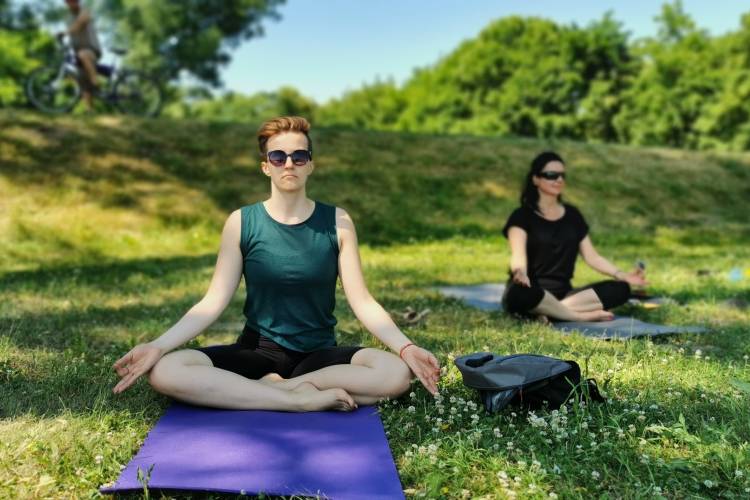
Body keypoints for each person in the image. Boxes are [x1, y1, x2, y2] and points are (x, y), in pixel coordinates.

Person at [112, 116, 441, 412]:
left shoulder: (338, 221)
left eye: (299, 156)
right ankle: (293, 398)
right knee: (167, 371)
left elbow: (362, 301)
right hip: (257, 352)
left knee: (396, 374)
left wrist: (406, 347)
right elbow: (212, 302)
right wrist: (158, 346)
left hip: (319, 357)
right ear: (265, 166)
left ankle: (271, 390)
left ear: (310, 165)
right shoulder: (241, 222)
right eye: (278, 156)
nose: (289, 164)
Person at [502, 151, 648, 322]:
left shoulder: (573, 215)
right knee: (522, 293)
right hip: (531, 289)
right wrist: (520, 273)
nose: (559, 180)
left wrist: (622, 274)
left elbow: (592, 257)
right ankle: (576, 316)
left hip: (565, 294)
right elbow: (518, 255)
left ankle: (550, 312)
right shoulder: (521, 216)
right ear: (535, 179)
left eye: (562, 175)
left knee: (621, 289)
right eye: (551, 175)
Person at [60, 0, 102, 112]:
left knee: (84, 54)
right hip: (78, 51)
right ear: (66, 3)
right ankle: (89, 110)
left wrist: (64, 33)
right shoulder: (68, 17)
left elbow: (79, 24)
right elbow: (73, 32)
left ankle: (96, 83)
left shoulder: (85, 11)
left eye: (74, 1)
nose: (72, 3)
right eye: (69, 1)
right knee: (82, 79)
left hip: (92, 49)